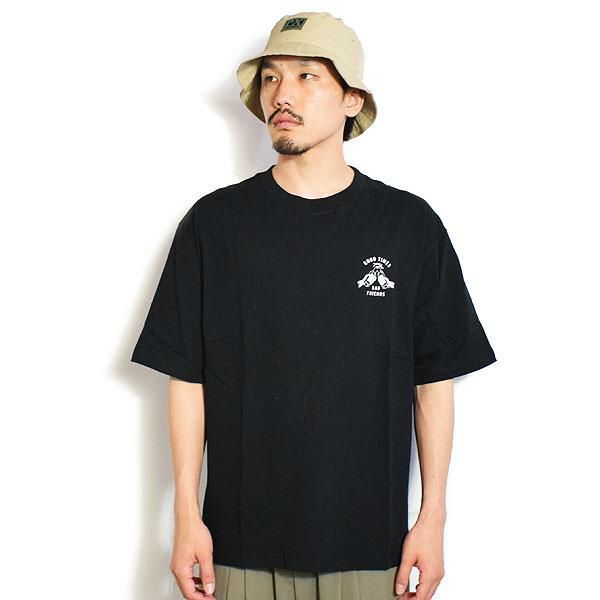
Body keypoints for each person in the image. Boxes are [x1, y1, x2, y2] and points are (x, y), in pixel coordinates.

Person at [130, 11, 497, 600]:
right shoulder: (215, 224)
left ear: (353, 99)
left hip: (373, 551)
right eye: (271, 77)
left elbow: (433, 382)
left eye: (307, 76)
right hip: (237, 551)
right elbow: (186, 379)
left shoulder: (408, 226)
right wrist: (185, 517)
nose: (283, 94)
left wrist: (432, 520)